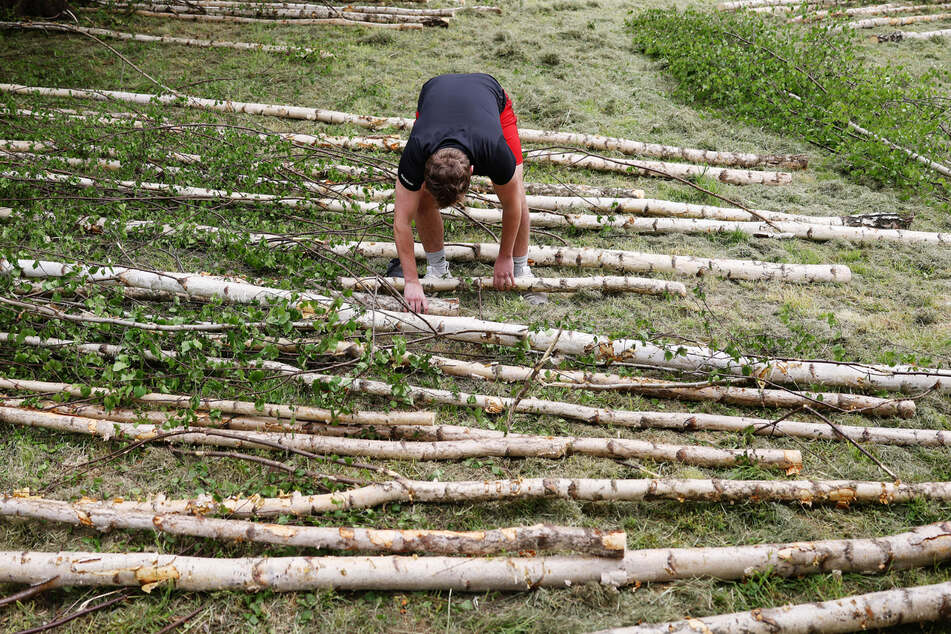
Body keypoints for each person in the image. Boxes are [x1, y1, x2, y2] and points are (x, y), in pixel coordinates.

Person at [390, 73, 543, 314]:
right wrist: (411, 281)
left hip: (490, 97)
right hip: (435, 94)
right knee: (421, 198)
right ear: (425, 169)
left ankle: (521, 267)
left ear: (473, 171)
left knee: (517, 191)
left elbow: (512, 205)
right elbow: (401, 221)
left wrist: (505, 257)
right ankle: (437, 268)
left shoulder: (494, 150)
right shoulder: (417, 150)